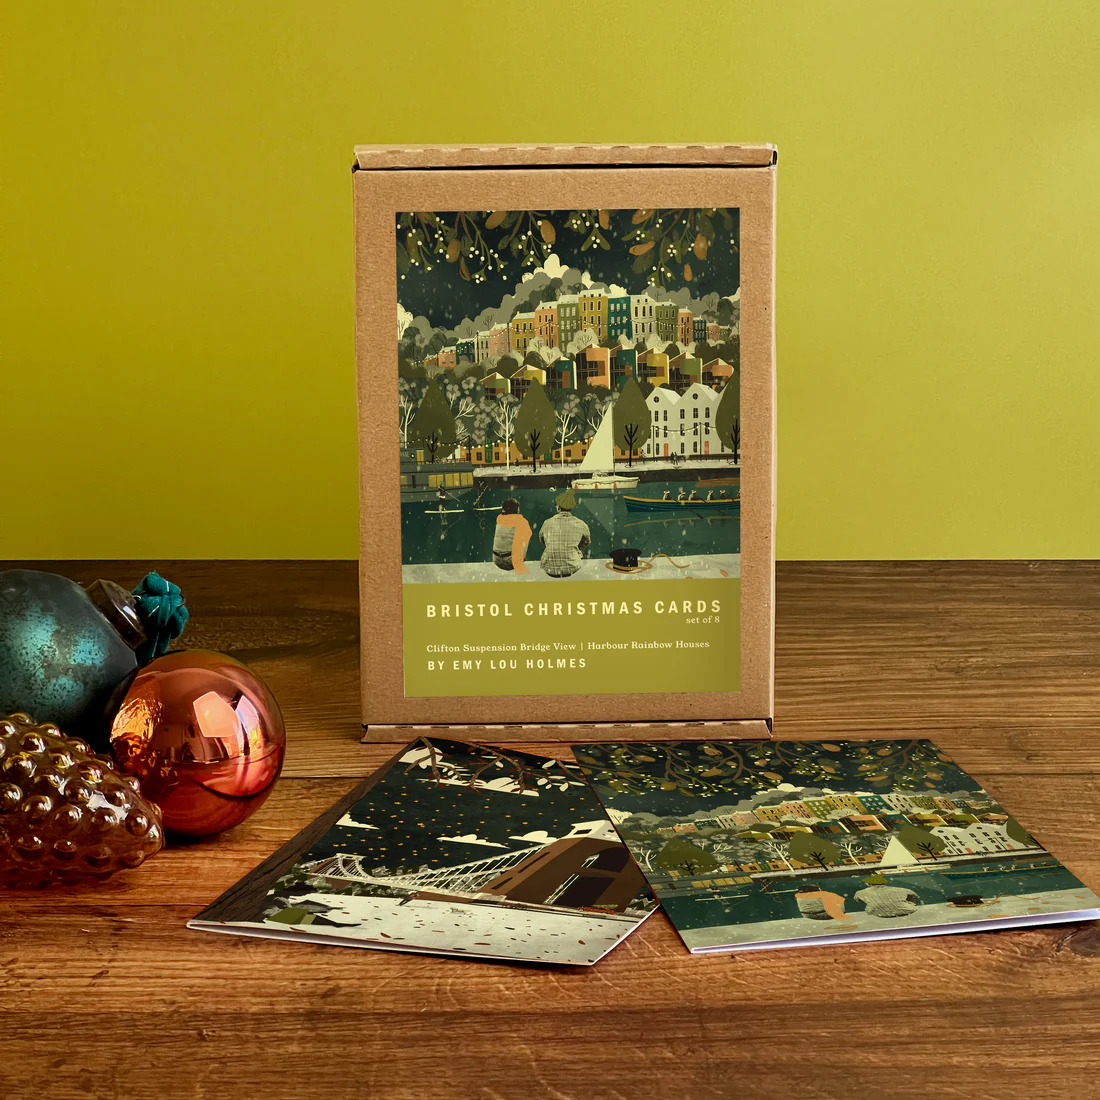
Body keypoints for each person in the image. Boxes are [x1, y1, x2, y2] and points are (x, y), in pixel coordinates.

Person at [539, 488, 591, 578]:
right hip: (572, 568)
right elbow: (587, 541)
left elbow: (542, 540)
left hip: (549, 568)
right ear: (571, 507)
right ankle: (573, 558)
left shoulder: (547, 522)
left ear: (558, 507)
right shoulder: (581, 524)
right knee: (582, 542)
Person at [853, 875, 921, 918]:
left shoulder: (861, 892)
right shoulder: (901, 890)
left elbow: (858, 899)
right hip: (905, 912)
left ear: (869, 883)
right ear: (884, 883)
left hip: (878, 914)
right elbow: (915, 896)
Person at [492, 498, 531, 574]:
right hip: (512, 562)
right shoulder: (522, 521)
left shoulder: (499, 519)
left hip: (496, 560)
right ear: (517, 509)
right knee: (526, 533)